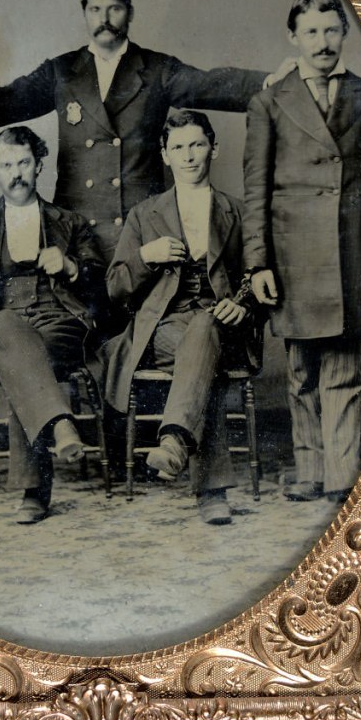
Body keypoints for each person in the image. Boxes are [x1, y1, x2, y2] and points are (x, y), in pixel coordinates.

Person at [0, 0, 290, 257]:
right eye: (95, 8)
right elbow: (3, 100)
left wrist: (268, 81)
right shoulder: (61, 71)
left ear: (130, 12)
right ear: (84, 13)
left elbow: (210, 84)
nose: (104, 18)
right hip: (76, 229)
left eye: (115, 8)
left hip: (142, 226)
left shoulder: (156, 69)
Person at [242, 0, 361, 504]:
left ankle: (340, 474)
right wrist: (257, 263)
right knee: (301, 370)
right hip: (293, 255)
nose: (323, 42)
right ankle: (309, 468)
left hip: (350, 252)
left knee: (344, 368)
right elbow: (255, 190)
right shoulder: (269, 101)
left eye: (331, 30)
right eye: (311, 32)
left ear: (345, 33)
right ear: (293, 38)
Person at [104, 110, 258, 525]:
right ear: (165, 155)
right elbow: (115, 286)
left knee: (205, 328)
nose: (189, 156)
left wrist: (243, 306)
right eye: (178, 148)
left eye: (197, 145)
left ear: (214, 149)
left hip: (223, 325)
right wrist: (144, 257)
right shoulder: (144, 214)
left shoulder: (237, 212)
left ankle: (174, 441)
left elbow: (259, 278)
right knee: (199, 345)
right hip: (163, 328)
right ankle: (212, 492)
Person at [0, 126, 105, 524]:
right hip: (2, 323)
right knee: (9, 334)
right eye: (6, 165)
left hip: (59, 320)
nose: (15, 173)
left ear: (39, 165)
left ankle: (33, 493)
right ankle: (60, 425)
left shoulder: (69, 222)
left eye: (23, 163)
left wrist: (71, 267)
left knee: (22, 361)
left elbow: (100, 281)